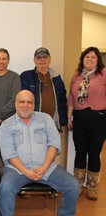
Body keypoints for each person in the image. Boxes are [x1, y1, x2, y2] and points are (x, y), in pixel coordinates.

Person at [0, 90, 79, 216]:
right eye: (22, 102)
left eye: (29, 102)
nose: (26, 105)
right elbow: (9, 154)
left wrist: (44, 168)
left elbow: (53, 145)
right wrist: (27, 172)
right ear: (16, 104)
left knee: (73, 186)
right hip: (17, 169)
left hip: (46, 168)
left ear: (34, 104)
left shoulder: (45, 119)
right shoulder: (6, 125)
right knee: (5, 188)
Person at [67, 47, 106, 200]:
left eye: (93, 57)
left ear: (98, 60)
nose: (89, 59)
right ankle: (78, 184)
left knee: (95, 154)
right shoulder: (76, 76)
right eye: (87, 57)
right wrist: (69, 117)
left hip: (99, 117)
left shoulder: (103, 74)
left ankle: (92, 186)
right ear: (82, 59)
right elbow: (71, 98)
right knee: (80, 152)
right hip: (79, 117)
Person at [20, 47, 67, 131]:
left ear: (49, 59)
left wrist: (63, 121)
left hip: (53, 124)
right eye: (39, 58)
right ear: (34, 60)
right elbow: (22, 101)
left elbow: (63, 100)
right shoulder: (26, 76)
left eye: (44, 57)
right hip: (33, 124)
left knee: (52, 145)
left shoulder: (57, 78)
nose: (42, 60)